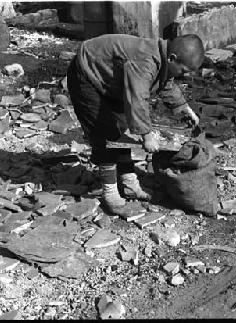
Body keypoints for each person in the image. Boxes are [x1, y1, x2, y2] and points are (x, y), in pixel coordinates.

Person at [67, 33, 204, 216]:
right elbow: (137, 98)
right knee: (105, 133)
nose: (185, 76)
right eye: (184, 71)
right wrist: (147, 135)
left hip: (109, 79)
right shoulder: (146, 61)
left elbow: (165, 84)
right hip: (86, 73)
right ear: (172, 58)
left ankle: (128, 182)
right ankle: (110, 192)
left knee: (122, 129)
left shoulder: (162, 59)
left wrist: (183, 108)